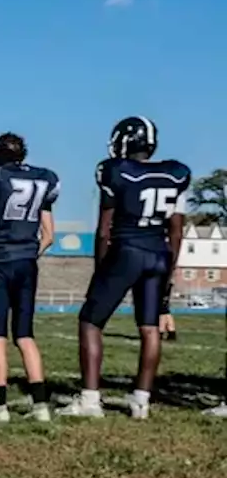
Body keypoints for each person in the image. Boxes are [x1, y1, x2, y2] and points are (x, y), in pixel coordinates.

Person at [62, 116, 191, 420]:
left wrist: (99, 269)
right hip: (158, 253)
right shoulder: (175, 173)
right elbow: (176, 231)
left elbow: (105, 229)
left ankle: (91, 400)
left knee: (90, 322)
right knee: (149, 328)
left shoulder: (115, 171)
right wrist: (168, 270)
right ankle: (141, 401)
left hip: (128, 250)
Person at [0, 132, 58, 422]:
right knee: (24, 334)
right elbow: (49, 235)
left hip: (0, 260)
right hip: (26, 261)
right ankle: (41, 406)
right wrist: (30, 254)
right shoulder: (43, 178)